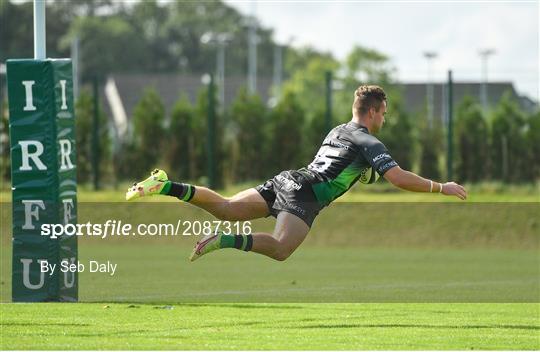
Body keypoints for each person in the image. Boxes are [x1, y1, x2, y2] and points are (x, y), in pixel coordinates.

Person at [126, 85, 467, 262]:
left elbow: (347, 166)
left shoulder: (338, 130)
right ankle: (223, 241)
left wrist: (366, 173)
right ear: (373, 112)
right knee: (280, 249)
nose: (384, 120)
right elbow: (397, 177)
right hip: (305, 192)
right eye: (384, 114)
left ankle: (165, 183)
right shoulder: (367, 138)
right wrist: (441, 186)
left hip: (289, 178)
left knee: (228, 208)